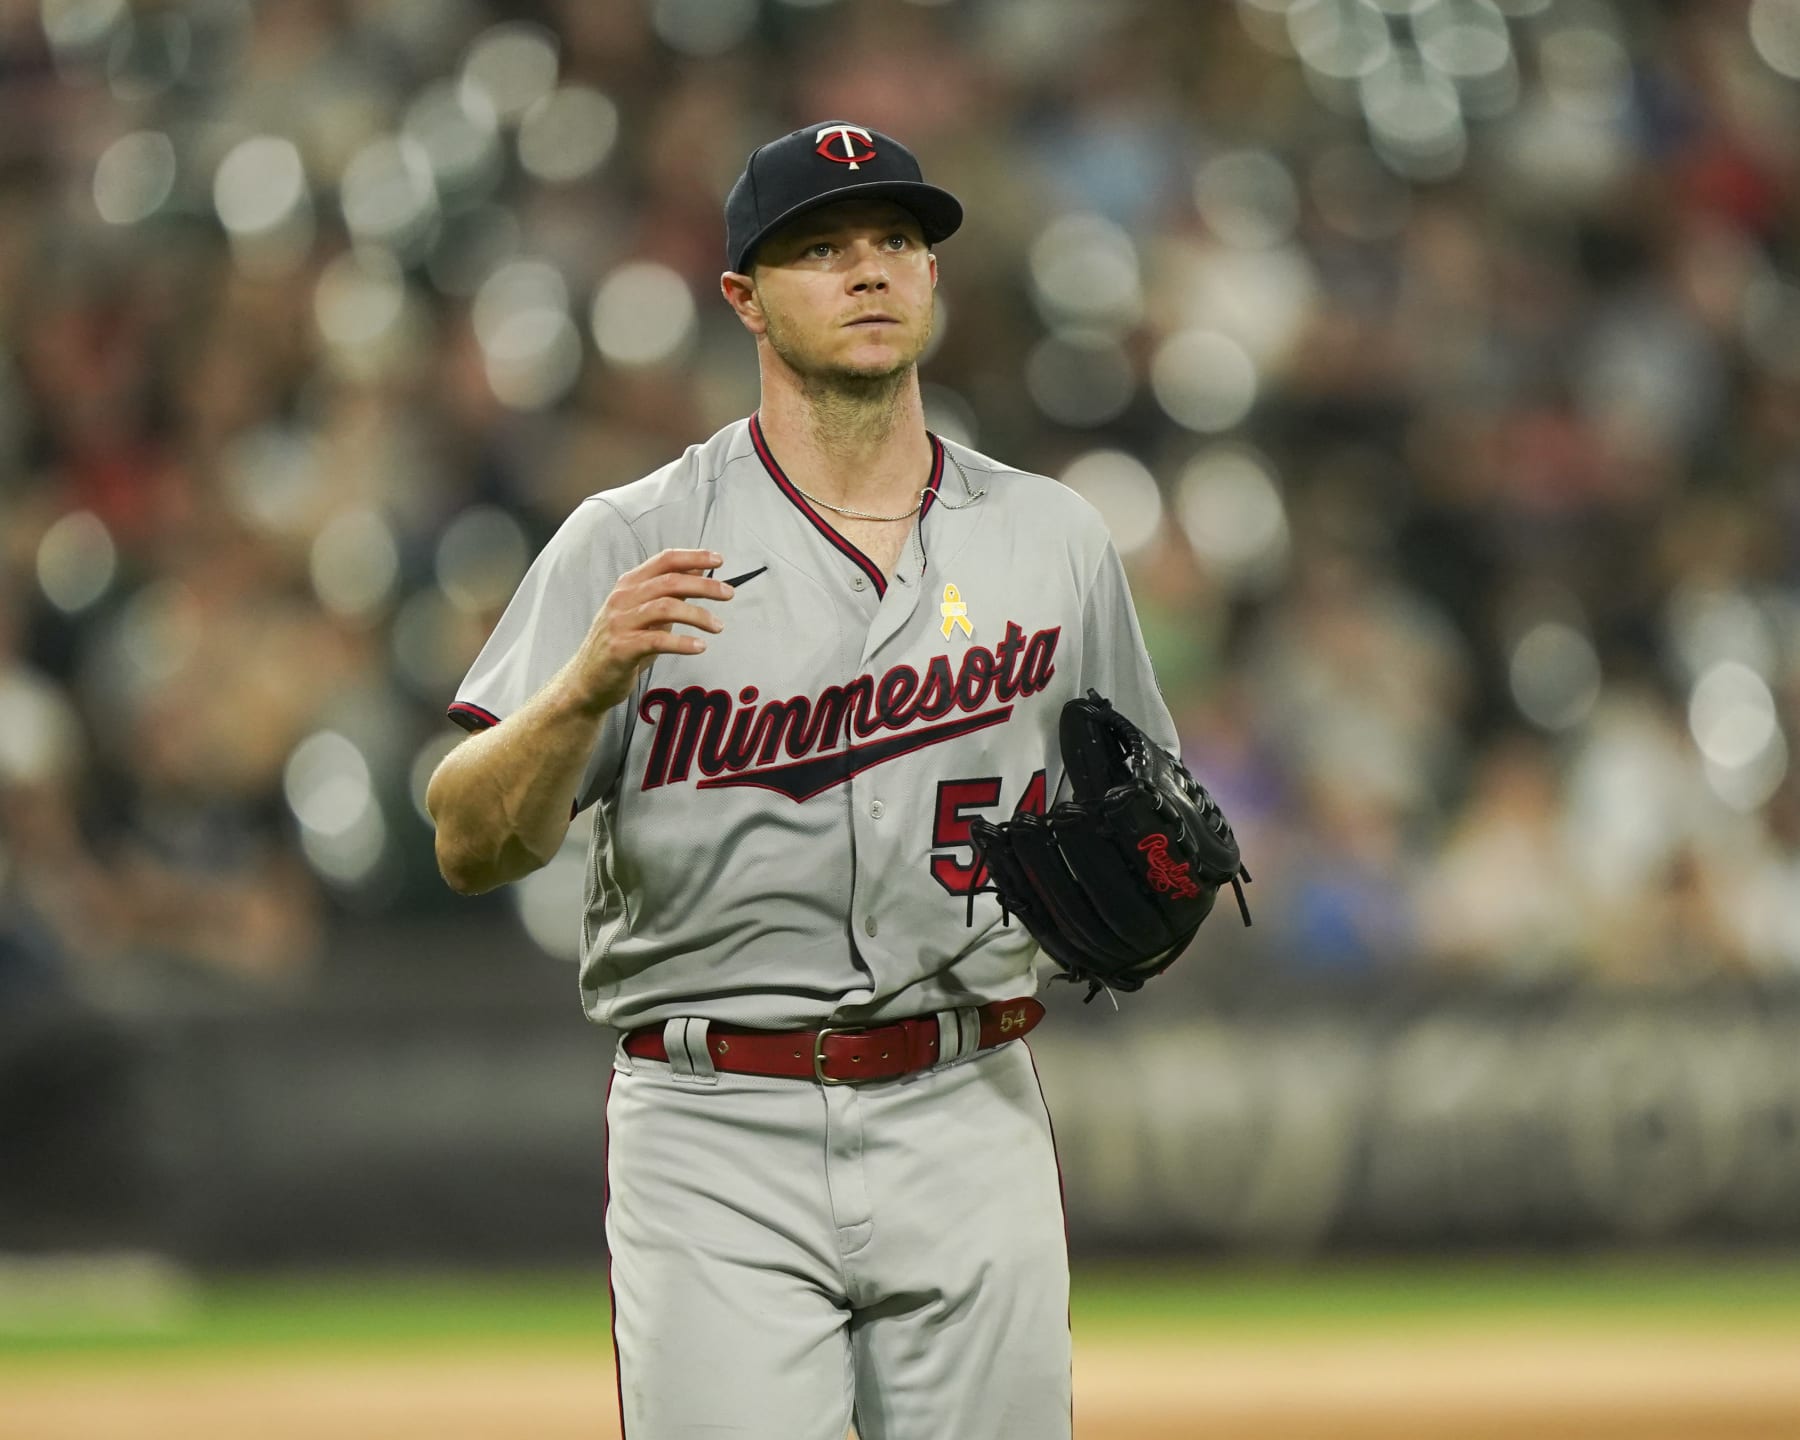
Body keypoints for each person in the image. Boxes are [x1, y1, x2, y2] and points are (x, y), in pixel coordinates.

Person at [427, 120, 1179, 1440]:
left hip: (969, 1098)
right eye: (821, 249)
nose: (869, 270)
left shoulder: (1053, 542)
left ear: (935, 277)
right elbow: (466, 837)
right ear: (745, 298)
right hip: (716, 1120)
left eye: (896, 240)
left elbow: (1143, 802)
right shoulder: (637, 536)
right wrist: (585, 690)